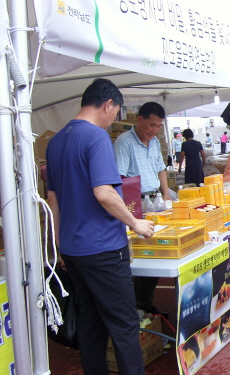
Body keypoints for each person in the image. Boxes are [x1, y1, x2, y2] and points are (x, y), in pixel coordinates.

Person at [46, 78, 155, 375]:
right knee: (123, 322)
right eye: (115, 112)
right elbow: (104, 192)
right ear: (108, 104)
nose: (112, 120)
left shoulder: (56, 141)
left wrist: (58, 245)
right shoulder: (96, 138)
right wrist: (135, 224)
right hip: (104, 248)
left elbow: (52, 198)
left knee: (90, 319)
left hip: (73, 249)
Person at [113, 101, 171, 316]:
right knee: (137, 255)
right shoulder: (124, 142)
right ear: (139, 120)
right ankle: (135, 306)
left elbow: (161, 169)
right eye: (151, 125)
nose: (153, 131)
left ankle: (145, 302)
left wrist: (166, 195)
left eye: (158, 127)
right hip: (134, 203)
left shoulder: (154, 142)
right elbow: (118, 179)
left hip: (155, 201)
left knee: (154, 251)